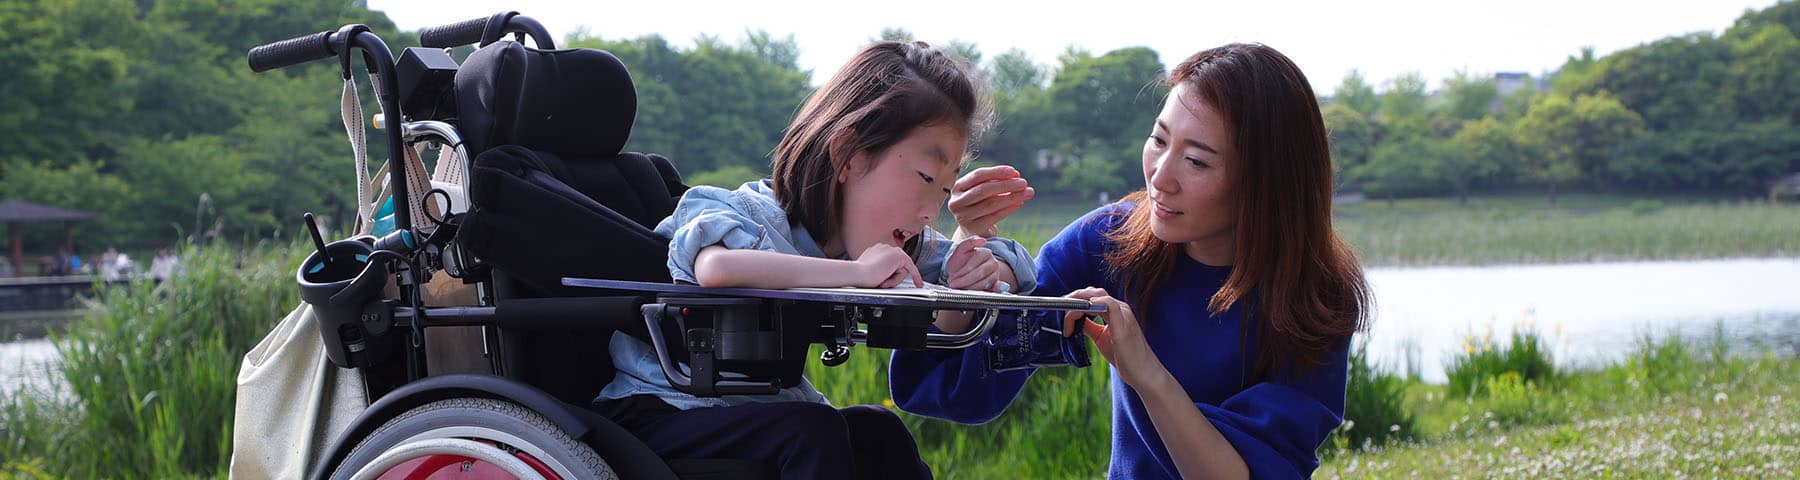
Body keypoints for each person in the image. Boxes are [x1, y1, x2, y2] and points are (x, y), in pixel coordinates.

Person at [890, 43, 1371, 479]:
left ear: (1264, 182)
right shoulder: (1109, 240)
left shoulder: (1316, 297)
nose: (1161, 177)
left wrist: (1146, 373)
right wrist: (970, 255)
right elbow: (952, 391)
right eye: (1159, 140)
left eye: (1197, 161)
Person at [592, 40, 1037, 480]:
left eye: (944, 189)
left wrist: (971, 264)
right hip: (659, 411)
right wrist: (857, 276)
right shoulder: (741, 212)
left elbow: (1009, 270)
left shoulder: (892, 243)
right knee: (815, 430)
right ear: (847, 155)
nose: (929, 210)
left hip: (762, 411)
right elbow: (717, 268)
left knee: (878, 430)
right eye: (924, 177)